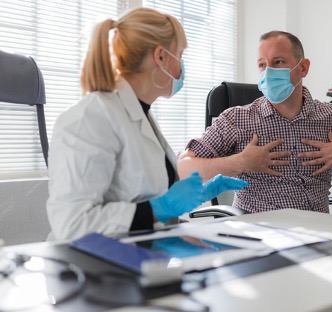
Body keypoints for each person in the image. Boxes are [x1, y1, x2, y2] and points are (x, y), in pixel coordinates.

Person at [46, 7, 248, 241]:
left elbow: (143, 194)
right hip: (93, 266)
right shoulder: (89, 118)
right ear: (161, 57)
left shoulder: (141, 114)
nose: (182, 67)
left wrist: (198, 194)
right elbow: (72, 223)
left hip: (143, 254)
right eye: (179, 56)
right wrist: (161, 207)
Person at [177, 30, 332, 214]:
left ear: (303, 68)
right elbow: (184, 168)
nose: (268, 72)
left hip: (316, 233)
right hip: (256, 234)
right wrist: (240, 162)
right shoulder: (237, 119)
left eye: (278, 62)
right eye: (262, 65)